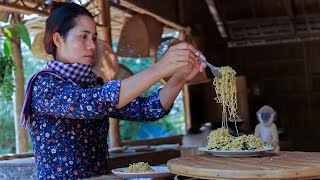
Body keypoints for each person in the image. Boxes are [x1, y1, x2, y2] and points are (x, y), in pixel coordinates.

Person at [20, 2, 206, 179]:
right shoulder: (44, 85)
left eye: (93, 37)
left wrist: (179, 77)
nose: (92, 45)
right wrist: (160, 68)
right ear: (58, 39)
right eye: (83, 36)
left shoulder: (92, 84)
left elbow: (147, 110)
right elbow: (95, 102)